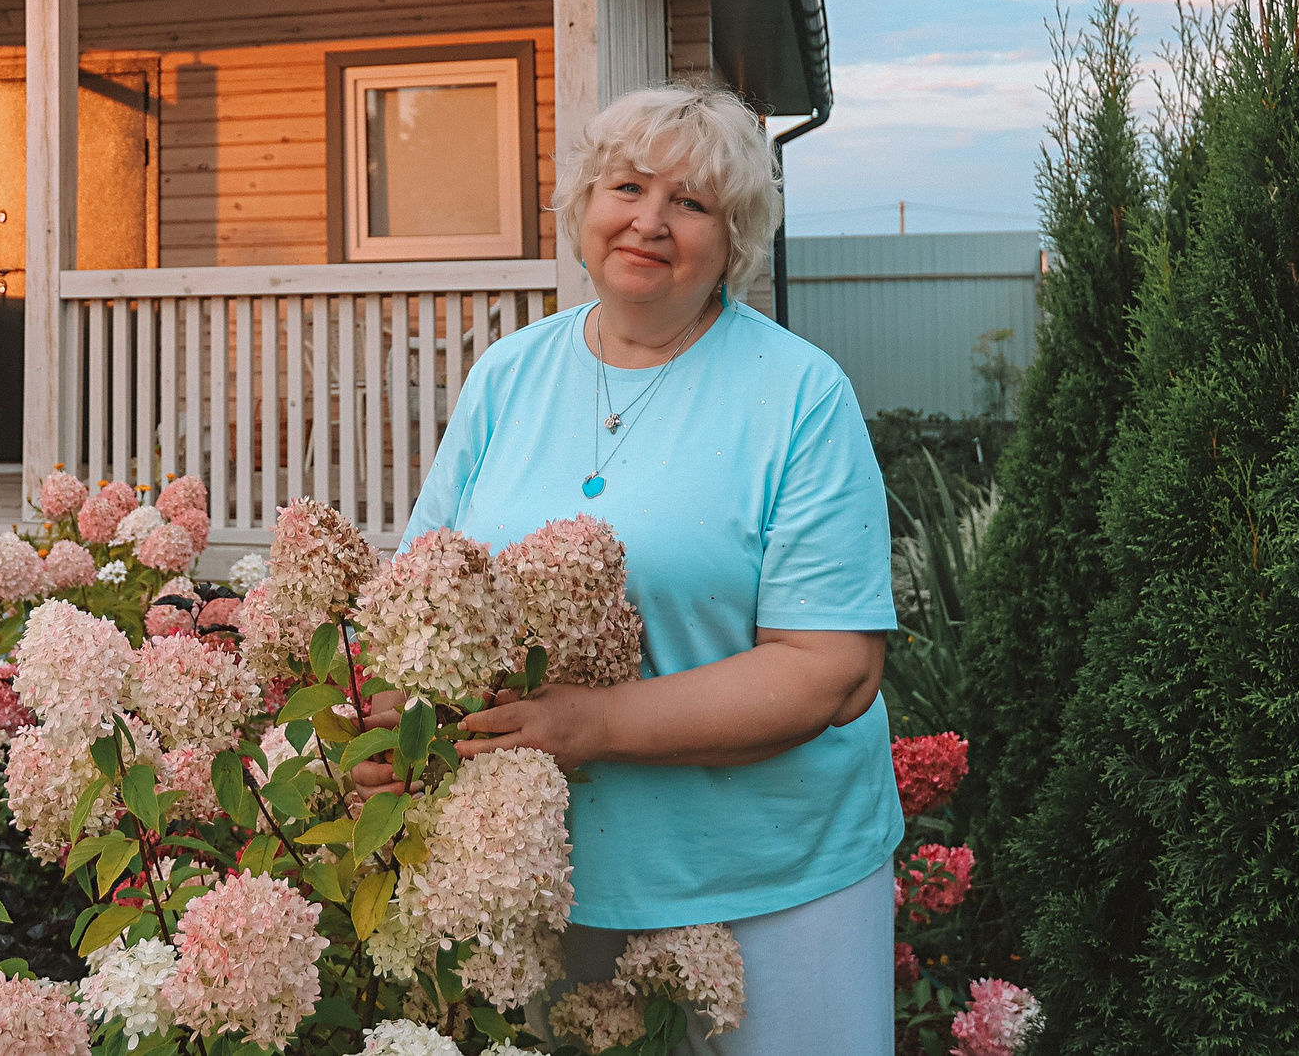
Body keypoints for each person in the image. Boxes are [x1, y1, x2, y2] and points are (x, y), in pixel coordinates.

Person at [356, 82, 903, 1054]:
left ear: (732, 240)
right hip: (558, 877)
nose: (648, 220)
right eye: (626, 188)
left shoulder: (798, 395)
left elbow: (833, 670)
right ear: (582, 208)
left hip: (773, 881)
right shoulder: (508, 375)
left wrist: (594, 723)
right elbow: (424, 592)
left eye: (689, 203)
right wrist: (386, 750)